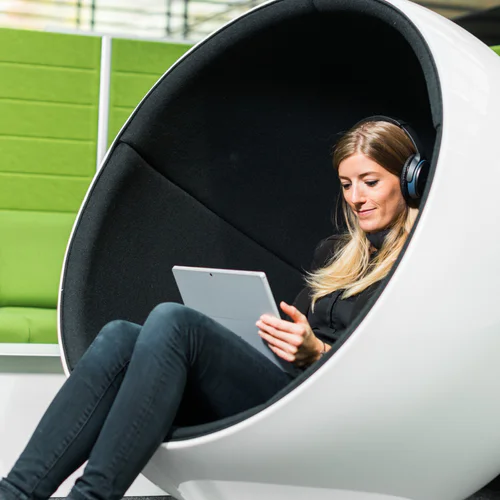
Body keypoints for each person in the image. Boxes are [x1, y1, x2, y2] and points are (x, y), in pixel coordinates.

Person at [0, 116, 426, 500]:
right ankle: (16, 491)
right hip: (287, 383)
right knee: (119, 336)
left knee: (173, 320)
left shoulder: (419, 264)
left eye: (370, 182)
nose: (356, 197)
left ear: (408, 181)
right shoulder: (334, 253)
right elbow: (291, 327)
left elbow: (396, 374)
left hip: (326, 406)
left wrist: (318, 353)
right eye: (347, 184)